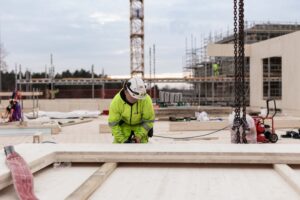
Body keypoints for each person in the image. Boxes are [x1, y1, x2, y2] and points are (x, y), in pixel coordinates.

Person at [108, 77, 155, 143]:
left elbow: (149, 120)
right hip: (122, 129)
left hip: (140, 128)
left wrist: (139, 135)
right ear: (126, 91)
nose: (136, 100)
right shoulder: (116, 102)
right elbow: (113, 123)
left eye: (138, 98)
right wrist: (122, 140)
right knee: (118, 150)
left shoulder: (146, 100)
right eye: (133, 97)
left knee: (143, 151)